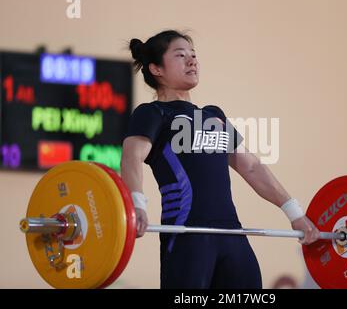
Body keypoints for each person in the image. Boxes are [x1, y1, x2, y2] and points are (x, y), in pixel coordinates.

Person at [121, 30, 320, 289]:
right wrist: (136, 204)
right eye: (180, 56)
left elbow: (252, 167)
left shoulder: (214, 115)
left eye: (193, 55)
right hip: (187, 235)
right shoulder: (153, 113)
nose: (192, 61)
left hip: (231, 234)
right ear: (156, 69)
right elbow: (131, 157)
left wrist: (295, 213)